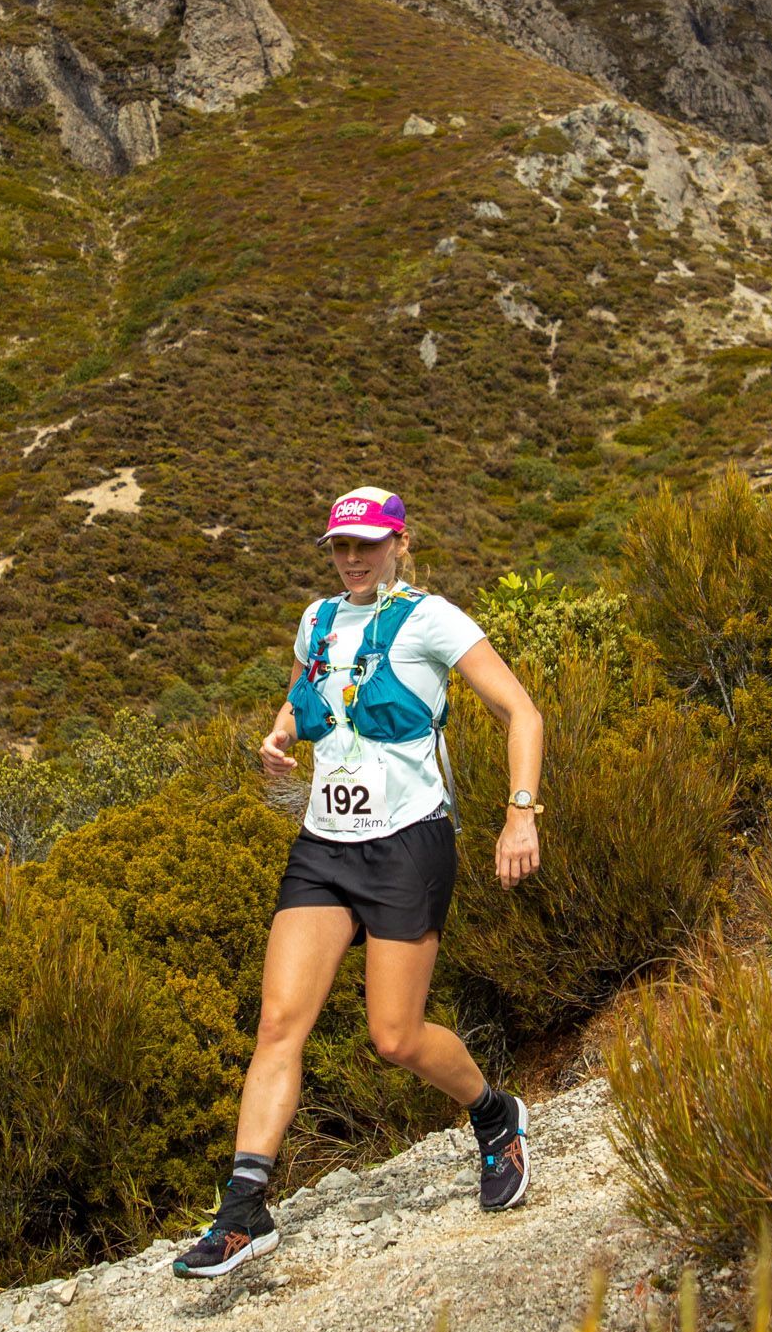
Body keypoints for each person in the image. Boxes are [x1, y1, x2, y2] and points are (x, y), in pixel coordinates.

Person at [174, 485, 545, 1280]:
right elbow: (306, 690)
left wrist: (519, 815)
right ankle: (241, 1214)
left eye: (367, 545)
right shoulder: (315, 619)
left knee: (394, 1037)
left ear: (399, 543)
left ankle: (493, 1114)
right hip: (324, 845)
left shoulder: (433, 619)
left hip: (408, 845)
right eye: (340, 546)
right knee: (279, 1024)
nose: (351, 560)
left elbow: (523, 712)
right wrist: (280, 731)